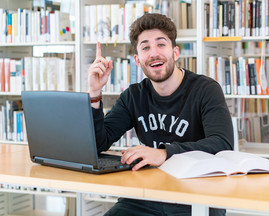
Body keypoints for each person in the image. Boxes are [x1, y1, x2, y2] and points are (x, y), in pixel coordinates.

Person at [87, 13, 234, 216]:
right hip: (145, 196)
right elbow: (98, 143)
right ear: (138, 60)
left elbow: (222, 143)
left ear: (175, 52)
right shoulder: (133, 96)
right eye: (146, 47)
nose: (154, 53)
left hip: (197, 197)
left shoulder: (205, 89)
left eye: (161, 44)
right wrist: (94, 94)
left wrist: (164, 153)